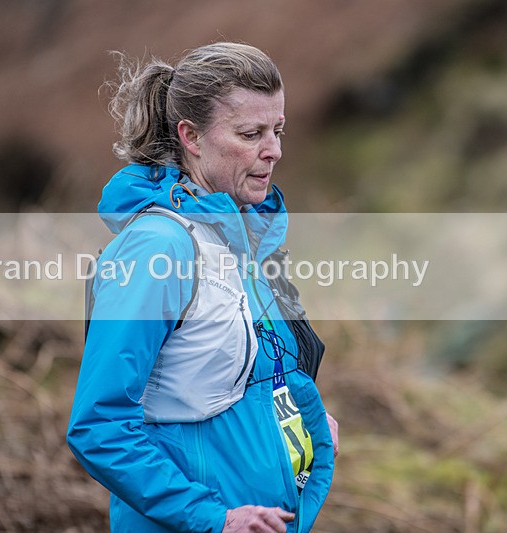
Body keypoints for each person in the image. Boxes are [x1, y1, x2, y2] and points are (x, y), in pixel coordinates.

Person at [67, 42, 337, 533]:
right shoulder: (158, 249)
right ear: (191, 136)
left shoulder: (242, 233)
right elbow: (100, 427)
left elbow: (257, 374)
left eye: (277, 130)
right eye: (250, 133)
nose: (273, 150)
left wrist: (306, 424)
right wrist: (213, 519)